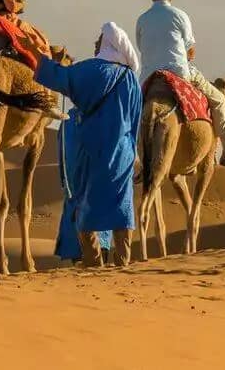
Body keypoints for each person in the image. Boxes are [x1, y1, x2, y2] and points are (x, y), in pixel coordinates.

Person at [20, 22, 141, 268]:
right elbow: (135, 120)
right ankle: (122, 262)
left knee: (86, 204)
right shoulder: (130, 78)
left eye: (100, 39)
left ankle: (92, 260)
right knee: (122, 207)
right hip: (121, 153)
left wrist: (36, 53)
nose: (96, 42)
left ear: (107, 43)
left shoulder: (86, 70)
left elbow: (58, 76)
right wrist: (133, 152)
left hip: (89, 150)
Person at [135, 0, 225, 168]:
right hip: (179, 72)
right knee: (219, 100)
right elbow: (190, 50)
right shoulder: (180, 15)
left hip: (148, 77)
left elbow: (142, 48)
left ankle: (138, 160)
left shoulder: (142, 19)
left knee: (131, 112)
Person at [55, 106, 112, 265]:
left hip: (76, 190)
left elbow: (62, 155)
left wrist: (64, 183)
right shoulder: (103, 116)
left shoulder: (66, 121)